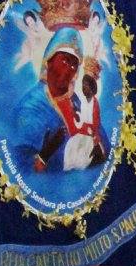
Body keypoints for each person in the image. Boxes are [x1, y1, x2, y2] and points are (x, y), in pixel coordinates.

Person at [13, 27, 107, 175]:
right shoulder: (30, 107)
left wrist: (97, 146)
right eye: (65, 60)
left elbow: (105, 148)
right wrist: (44, 155)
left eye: (74, 64)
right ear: (48, 61)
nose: (69, 69)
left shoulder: (78, 101)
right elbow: (20, 168)